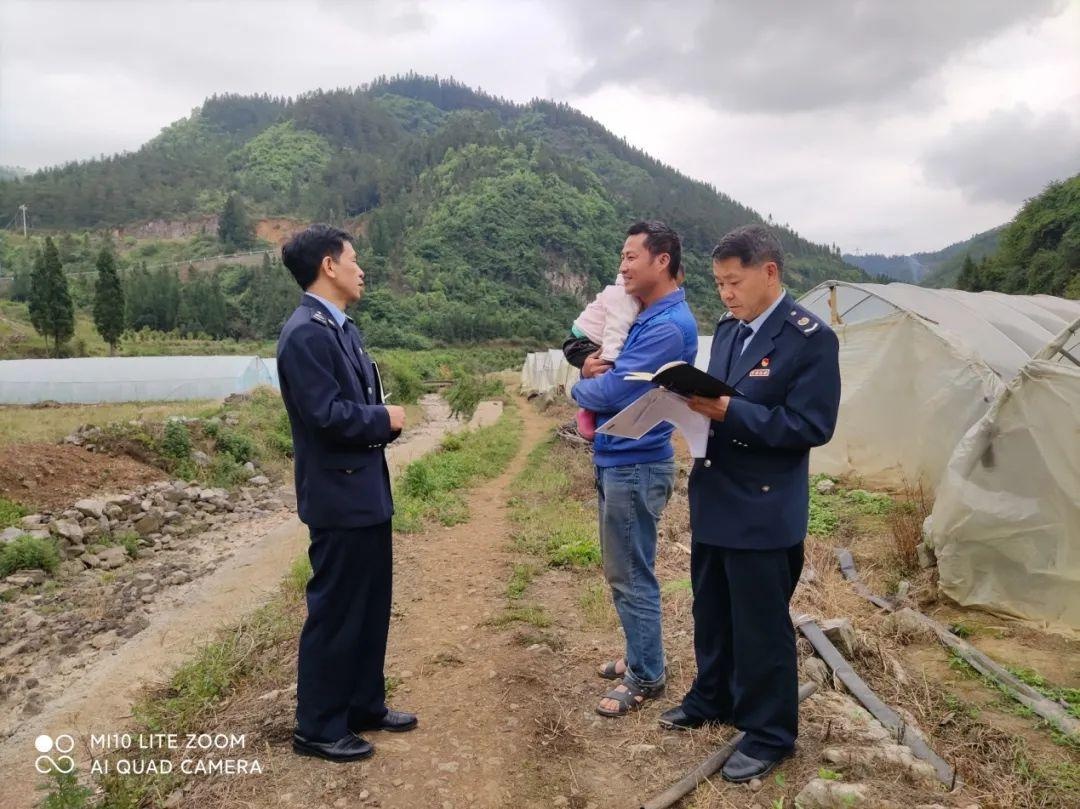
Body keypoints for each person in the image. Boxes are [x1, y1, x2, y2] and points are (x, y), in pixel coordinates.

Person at [658, 224, 841, 783]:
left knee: (761, 626)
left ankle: (768, 732)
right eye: (717, 284)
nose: (726, 294)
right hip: (716, 493)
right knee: (711, 609)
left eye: (734, 282)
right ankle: (712, 697)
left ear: (769, 272)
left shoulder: (809, 339)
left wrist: (727, 414)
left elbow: (812, 425)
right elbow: (719, 397)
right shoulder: (731, 332)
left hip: (763, 508)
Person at [276, 224, 417, 763]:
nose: (362, 269)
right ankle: (317, 725)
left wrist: (380, 418)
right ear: (329, 266)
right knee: (336, 612)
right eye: (354, 259)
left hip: (364, 494)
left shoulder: (340, 328)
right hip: (338, 498)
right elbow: (325, 415)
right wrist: (386, 417)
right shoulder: (306, 333)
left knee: (369, 606)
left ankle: (363, 705)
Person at [571, 220, 699, 717]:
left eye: (631, 257)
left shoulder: (666, 326)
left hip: (636, 464)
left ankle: (647, 675)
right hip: (620, 460)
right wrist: (588, 372)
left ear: (661, 260)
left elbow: (614, 389)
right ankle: (639, 656)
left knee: (632, 574)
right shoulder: (647, 315)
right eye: (621, 258)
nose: (622, 267)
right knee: (622, 569)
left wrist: (577, 388)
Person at [562, 270, 642, 439]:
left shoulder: (630, 294)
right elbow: (615, 331)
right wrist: (610, 359)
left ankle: (589, 409)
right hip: (582, 343)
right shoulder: (624, 296)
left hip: (585, 340)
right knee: (603, 370)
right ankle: (587, 410)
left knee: (602, 371)